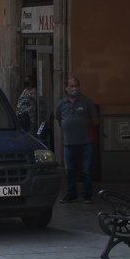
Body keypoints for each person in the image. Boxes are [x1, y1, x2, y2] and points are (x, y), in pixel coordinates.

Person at [55, 76, 98, 204]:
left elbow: (95, 120)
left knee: (86, 169)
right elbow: (58, 119)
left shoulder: (86, 102)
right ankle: (71, 194)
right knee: (70, 171)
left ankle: (87, 195)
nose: (74, 89)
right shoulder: (61, 104)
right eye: (71, 86)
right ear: (66, 88)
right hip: (69, 143)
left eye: (76, 86)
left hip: (85, 142)